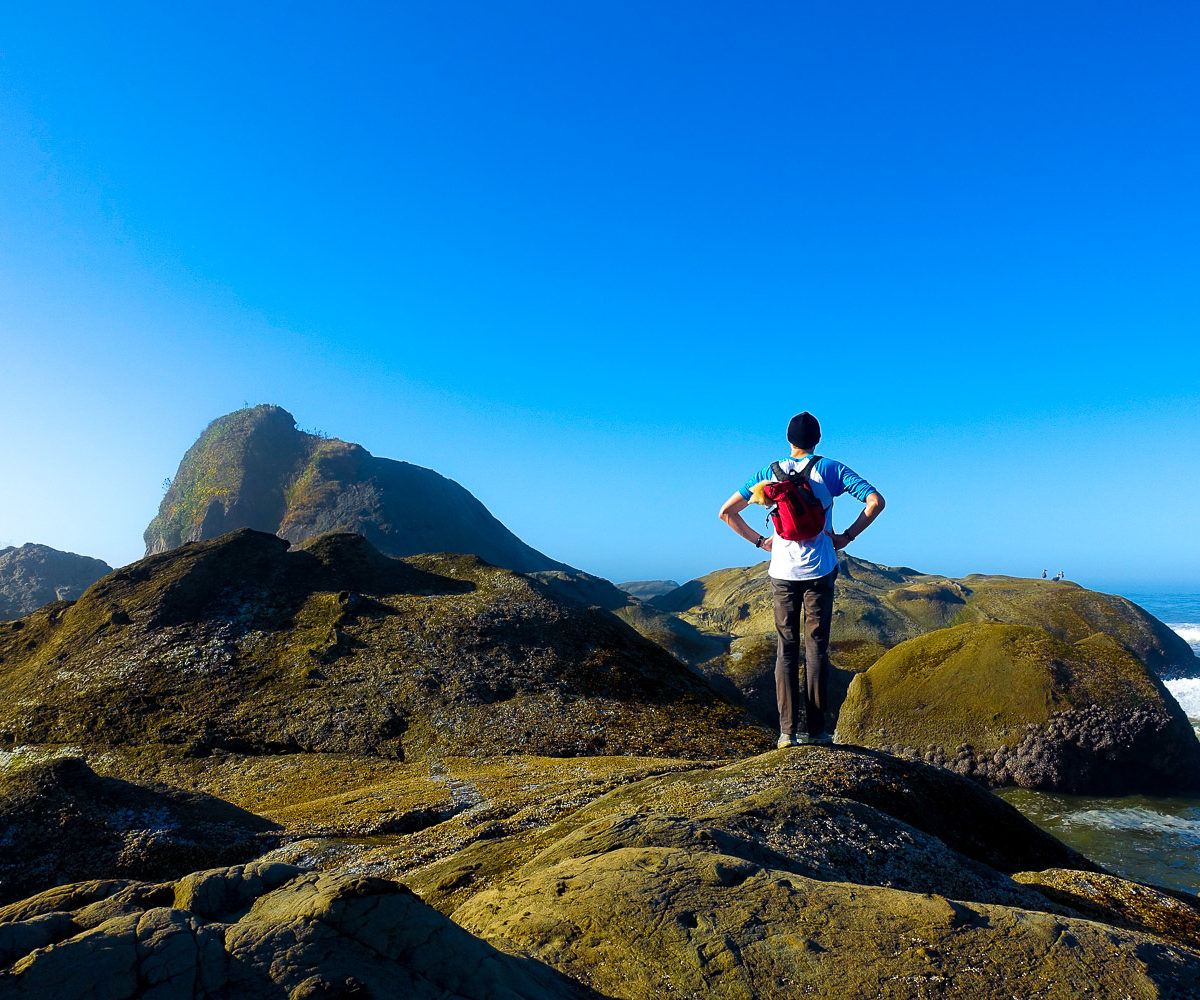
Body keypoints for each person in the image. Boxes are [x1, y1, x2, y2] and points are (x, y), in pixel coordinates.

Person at [719, 411, 885, 749]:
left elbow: (727, 512)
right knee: (816, 650)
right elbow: (875, 501)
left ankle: (786, 734)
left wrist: (760, 542)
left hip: (782, 572)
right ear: (818, 440)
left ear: (789, 440)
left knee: (786, 650)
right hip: (820, 569)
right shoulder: (831, 469)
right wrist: (847, 536)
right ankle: (819, 732)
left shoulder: (770, 472)